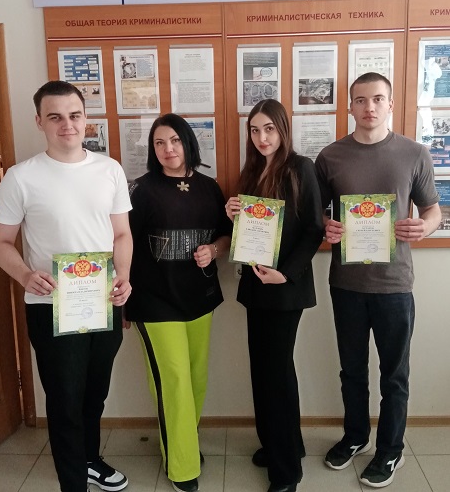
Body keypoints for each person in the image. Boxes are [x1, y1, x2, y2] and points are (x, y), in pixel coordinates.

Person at [0, 81, 133, 492]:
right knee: (64, 397)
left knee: (94, 392)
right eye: (55, 117)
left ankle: (89, 460)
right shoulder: (20, 178)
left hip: (103, 301)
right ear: (40, 122)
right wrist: (24, 275)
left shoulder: (109, 170)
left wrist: (124, 277)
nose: (66, 125)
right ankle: (73, 482)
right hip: (50, 305)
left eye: (74, 115)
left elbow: (121, 234)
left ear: (86, 119)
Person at [315, 72, 441, 488]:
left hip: (394, 285)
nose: (369, 107)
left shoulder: (414, 153)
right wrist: (326, 226)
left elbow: (433, 210)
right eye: (361, 100)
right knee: (351, 371)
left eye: (378, 99)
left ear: (390, 103)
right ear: (350, 105)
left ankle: (391, 449)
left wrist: (424, 227)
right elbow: (317, 214)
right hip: (346, 284)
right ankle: (355, 436)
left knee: (394, 375)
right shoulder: (330, 157)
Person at [125, 113, 231, 492]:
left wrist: (213, 250)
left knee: (196, 377)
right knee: (174, 380)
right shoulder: (140, 190)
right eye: (159, 143)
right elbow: (123, 245)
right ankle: (182, 465)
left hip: (200, 297)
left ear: (188, 143)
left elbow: (226, 235)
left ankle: (182, 438)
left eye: (174, 141)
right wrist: (122, 302)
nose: (168, 149)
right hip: (154, 301)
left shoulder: (210, 187)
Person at [226, 99, 324, 492]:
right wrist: (232, 213)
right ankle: (281, 444)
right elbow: (248, 232)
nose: (262, 137)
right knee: (265, 371)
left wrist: (286, 273)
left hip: (285, 289)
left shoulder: (300, 167)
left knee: (277, 375)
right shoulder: (251, 171)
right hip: (255, 287)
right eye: (255, 130)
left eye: (269, 129)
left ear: (282, 129)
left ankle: (287, 472)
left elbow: (314, 228)